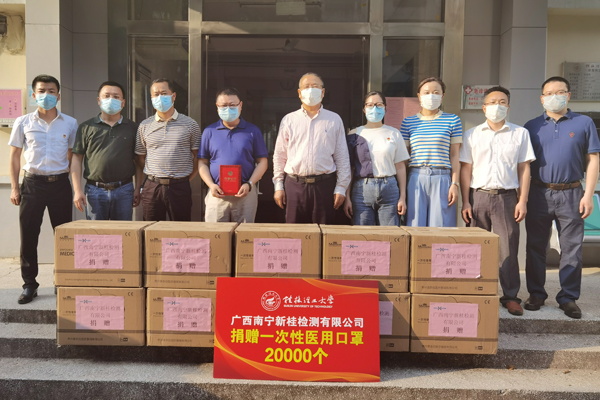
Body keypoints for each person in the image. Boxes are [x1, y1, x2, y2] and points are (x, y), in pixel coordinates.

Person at [524, 76, 600, 319]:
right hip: (538, 192)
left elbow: (593, 159)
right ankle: (536, 293)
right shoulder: (531, 126)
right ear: (542, 98)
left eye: (559, 92)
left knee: (572, 248)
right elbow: (523, 165)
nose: (554, 97)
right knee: (536, 246)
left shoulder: (584, 122)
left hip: (572, 192)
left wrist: (589, 194)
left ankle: (568, 297)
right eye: (549, 93)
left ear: (568, 95)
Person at [460, 86, 536, 316]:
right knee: (476, 248)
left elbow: (524, 168)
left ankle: (510, 296)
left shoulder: (520, 133)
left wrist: (523, 200)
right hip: (478, 196)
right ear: (484, 107)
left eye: (502, 102)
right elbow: (466, 169)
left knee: (508, 248)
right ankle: (476, 291)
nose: (497, 106)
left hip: (507, 197)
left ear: (508, 107)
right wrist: (466, 201)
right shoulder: (472, 134)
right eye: (492, 102)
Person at [8, 74, 77, 304]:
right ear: (33, 94)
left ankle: (62, 281)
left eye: (51, 91)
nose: (46, 95)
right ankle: (29, 284)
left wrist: (73, 185)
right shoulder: (23, 122)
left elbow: (72, 157)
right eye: (41, 91)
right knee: (28, 236)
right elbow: (15, 156)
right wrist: (15, 188)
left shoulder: (70, 123)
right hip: (32, 184)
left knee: (63, 236)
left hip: (60, 185)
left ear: (58, 95)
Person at [273, 72, 351, 224]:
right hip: (294, 185)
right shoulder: (289, 120)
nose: (310, 90)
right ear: (299, 93)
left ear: (323, 92)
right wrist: (278, 186)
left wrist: (341, 187)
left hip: (325, 186)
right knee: (294, 233)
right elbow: (279, 155)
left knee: (323, 232)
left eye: (315, 86)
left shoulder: (334, 120)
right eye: (306, 87)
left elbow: (342, 156)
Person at [70, 81, 143, 220]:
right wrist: (77, 190)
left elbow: (138, 161)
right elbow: (77, 159)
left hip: (124, 190)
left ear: (123, 103)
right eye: (107, 96)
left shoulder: (133, 128)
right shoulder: (86, 127)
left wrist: (138, 188)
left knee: (123, 232)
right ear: (99, 100)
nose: (111, 100)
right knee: (96, 232)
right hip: (94, 191)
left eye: (116, 97)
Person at [135, 78, 201, 221]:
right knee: (151, 229)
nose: (160, 97)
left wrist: (185, 178)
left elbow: (198, 157)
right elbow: (140, 157)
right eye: (156, 94)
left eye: (164, 93)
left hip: (180, 186)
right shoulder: (144, 125)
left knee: (180, 229)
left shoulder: (190, 124)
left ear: (173, 96)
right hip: (152, 186)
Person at [198, 88, 268, 222]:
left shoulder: (253, 131)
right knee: (215, 233)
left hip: (245, 194)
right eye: (223, 105)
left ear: (240, 105)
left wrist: (249, 184)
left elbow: (263, 162)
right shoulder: (209, 131)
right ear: (217, 107)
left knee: (244, 234)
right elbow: (202, 163)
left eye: (232, 105)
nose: (228, 109)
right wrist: (211, 185)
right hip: (217, 194)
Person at [400, 77, 462, 227]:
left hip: (442, 178)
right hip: (416, 177)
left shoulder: (453, 120)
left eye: (436, 92)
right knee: (415, 225)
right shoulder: (408, 122)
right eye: (426, 92)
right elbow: (404, 158)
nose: (431, 96)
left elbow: (455, 155)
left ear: (442, 96)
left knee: (441, 227)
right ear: (419, 96)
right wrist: (402, 190)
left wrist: (455, 183)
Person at [344, 91, 409, 226]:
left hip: (389, 187)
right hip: (361, 189)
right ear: (364, 109)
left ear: (385, 108)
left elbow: (400, 167)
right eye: (370, 105)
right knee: (363, 234)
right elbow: (350, 168)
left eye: (379, 105)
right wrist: (347, 197)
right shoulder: (355, 134)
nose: (374, 109)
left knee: (389, 234)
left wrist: (403, 197)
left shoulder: (394, 133)